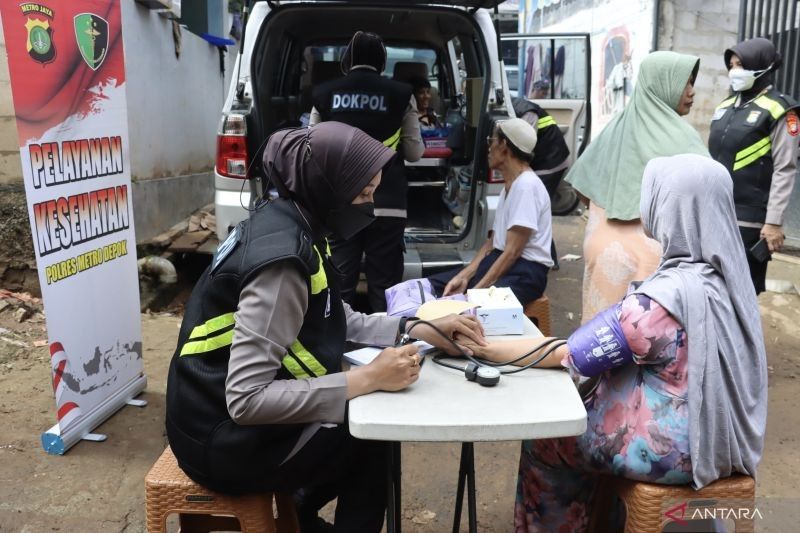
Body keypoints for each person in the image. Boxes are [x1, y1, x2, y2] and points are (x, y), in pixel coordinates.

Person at [165, 122, 486, 533]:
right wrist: (367, 378)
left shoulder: (295, 221)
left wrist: (416, 326)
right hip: (219, 442)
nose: (370, 205)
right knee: (370, 436)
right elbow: (246, 400)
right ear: (328, 185)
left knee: (364, 420)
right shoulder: (282, 264)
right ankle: (300, 512)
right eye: (364, 193)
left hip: (208, 415)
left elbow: (336, 316)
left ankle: (298, 513)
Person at [457, 155, 768, 531]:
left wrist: (484, 348)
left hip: (672, 452)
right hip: (729, 443)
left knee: (547, 442)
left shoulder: (659, 304)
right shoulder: (734, 285)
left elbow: (570, 353)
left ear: (665, 210)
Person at [565, 51, 708, 321]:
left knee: (601, 338)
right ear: (663, 84)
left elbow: (583, 186)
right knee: (646, 339)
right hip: (652, 258)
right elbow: (704, 204)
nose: (692, 92)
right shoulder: (684, 138)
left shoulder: (615, 127)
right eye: (685, 84)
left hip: (603, 251)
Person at [311, 31, 424, 313]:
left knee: (339, 285)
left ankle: (339, 347)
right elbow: (414, 152)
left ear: (347, 61)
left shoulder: (324, 94)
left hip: (341, 205)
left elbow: (310, 148)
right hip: (387, 206)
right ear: (382, 63)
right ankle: (386, 350)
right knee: (385, 288)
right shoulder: (402, 95)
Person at [427, 118, 553, 305]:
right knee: (433, 288)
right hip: (502, 261)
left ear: (504, 146)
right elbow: (492, 243)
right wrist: (464, 276)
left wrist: (476, 292)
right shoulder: (509, 187)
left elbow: (512, 252)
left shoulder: (527, 186)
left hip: (525, 272)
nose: (489, 147)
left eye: (491, 141)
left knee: (465, 308)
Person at [708, 37, 799, 294]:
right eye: (732, 65)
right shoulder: (726, 106)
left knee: (741, 292)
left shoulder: (781, 110)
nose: (734, 71)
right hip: (715, 213)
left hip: (750, 222)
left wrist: (773, 222)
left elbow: (785, 168)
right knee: (712, 287)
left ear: (763, 67)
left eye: (741, 64)